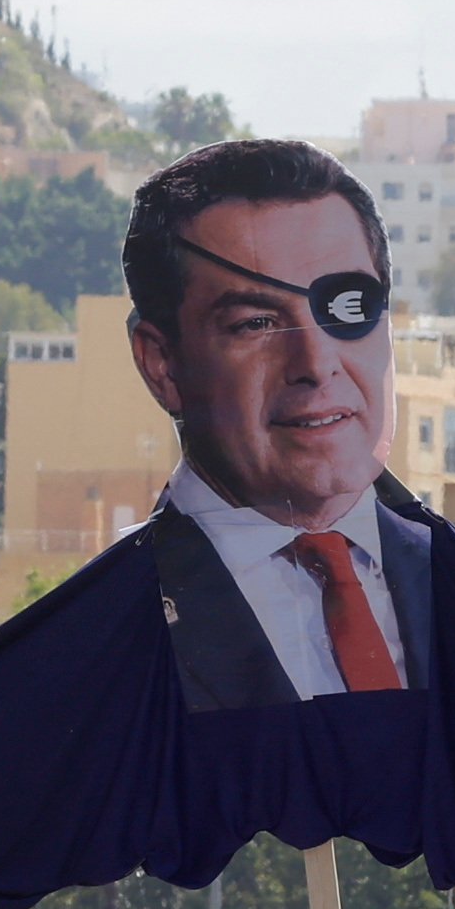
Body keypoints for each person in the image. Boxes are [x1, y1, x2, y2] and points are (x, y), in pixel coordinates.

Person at [123, 139, 435, 705]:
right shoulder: (101, 639)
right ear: (161, 364)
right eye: (257, 323)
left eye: (346, 309)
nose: (316, 366)